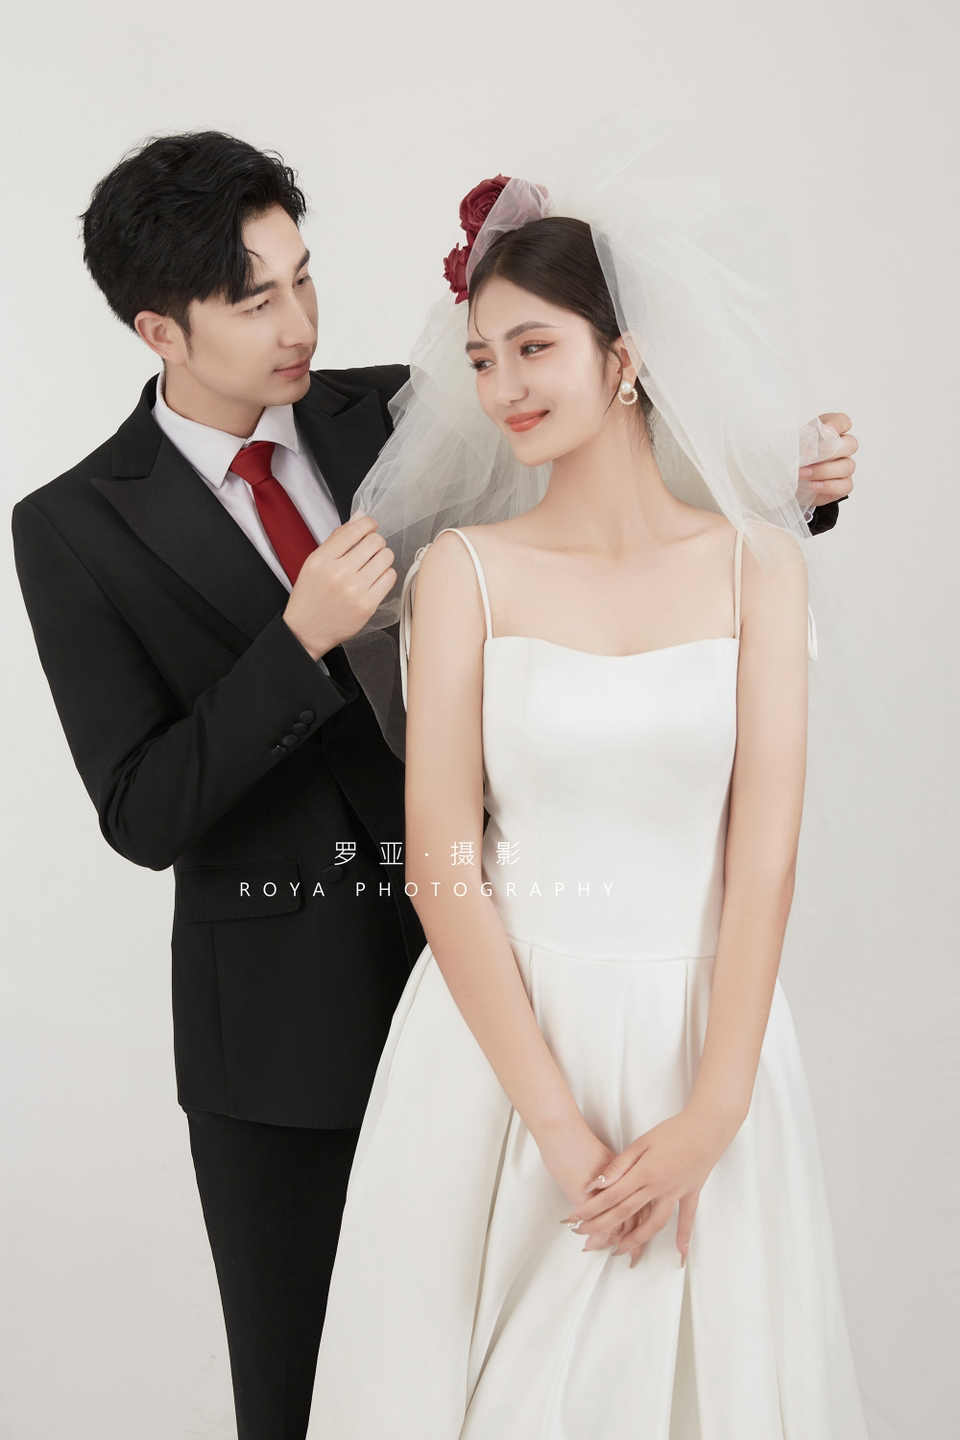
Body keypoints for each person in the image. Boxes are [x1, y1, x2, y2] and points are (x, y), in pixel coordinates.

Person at [12, 133, 853, 1440]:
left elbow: (616, 469)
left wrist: (789, 481)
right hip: (283, 1033)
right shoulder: (72, 526)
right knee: (330, 1394)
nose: (300, 322)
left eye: (304, 277)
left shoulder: (412, 412)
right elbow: (141, 807)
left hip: (524, 977)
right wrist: (292, 645)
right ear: (158, 330)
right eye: (255, 300)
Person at [309, 151, 869, 1437]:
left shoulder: (759, 568)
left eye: (533, 348)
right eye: (482, 358)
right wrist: (558, 1132)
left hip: (705, 1034)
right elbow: (441, 859)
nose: (501, 387)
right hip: (502, 1051)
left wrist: (716, 1108)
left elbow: (764, 855)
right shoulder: (463, 574)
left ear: (625, 358)